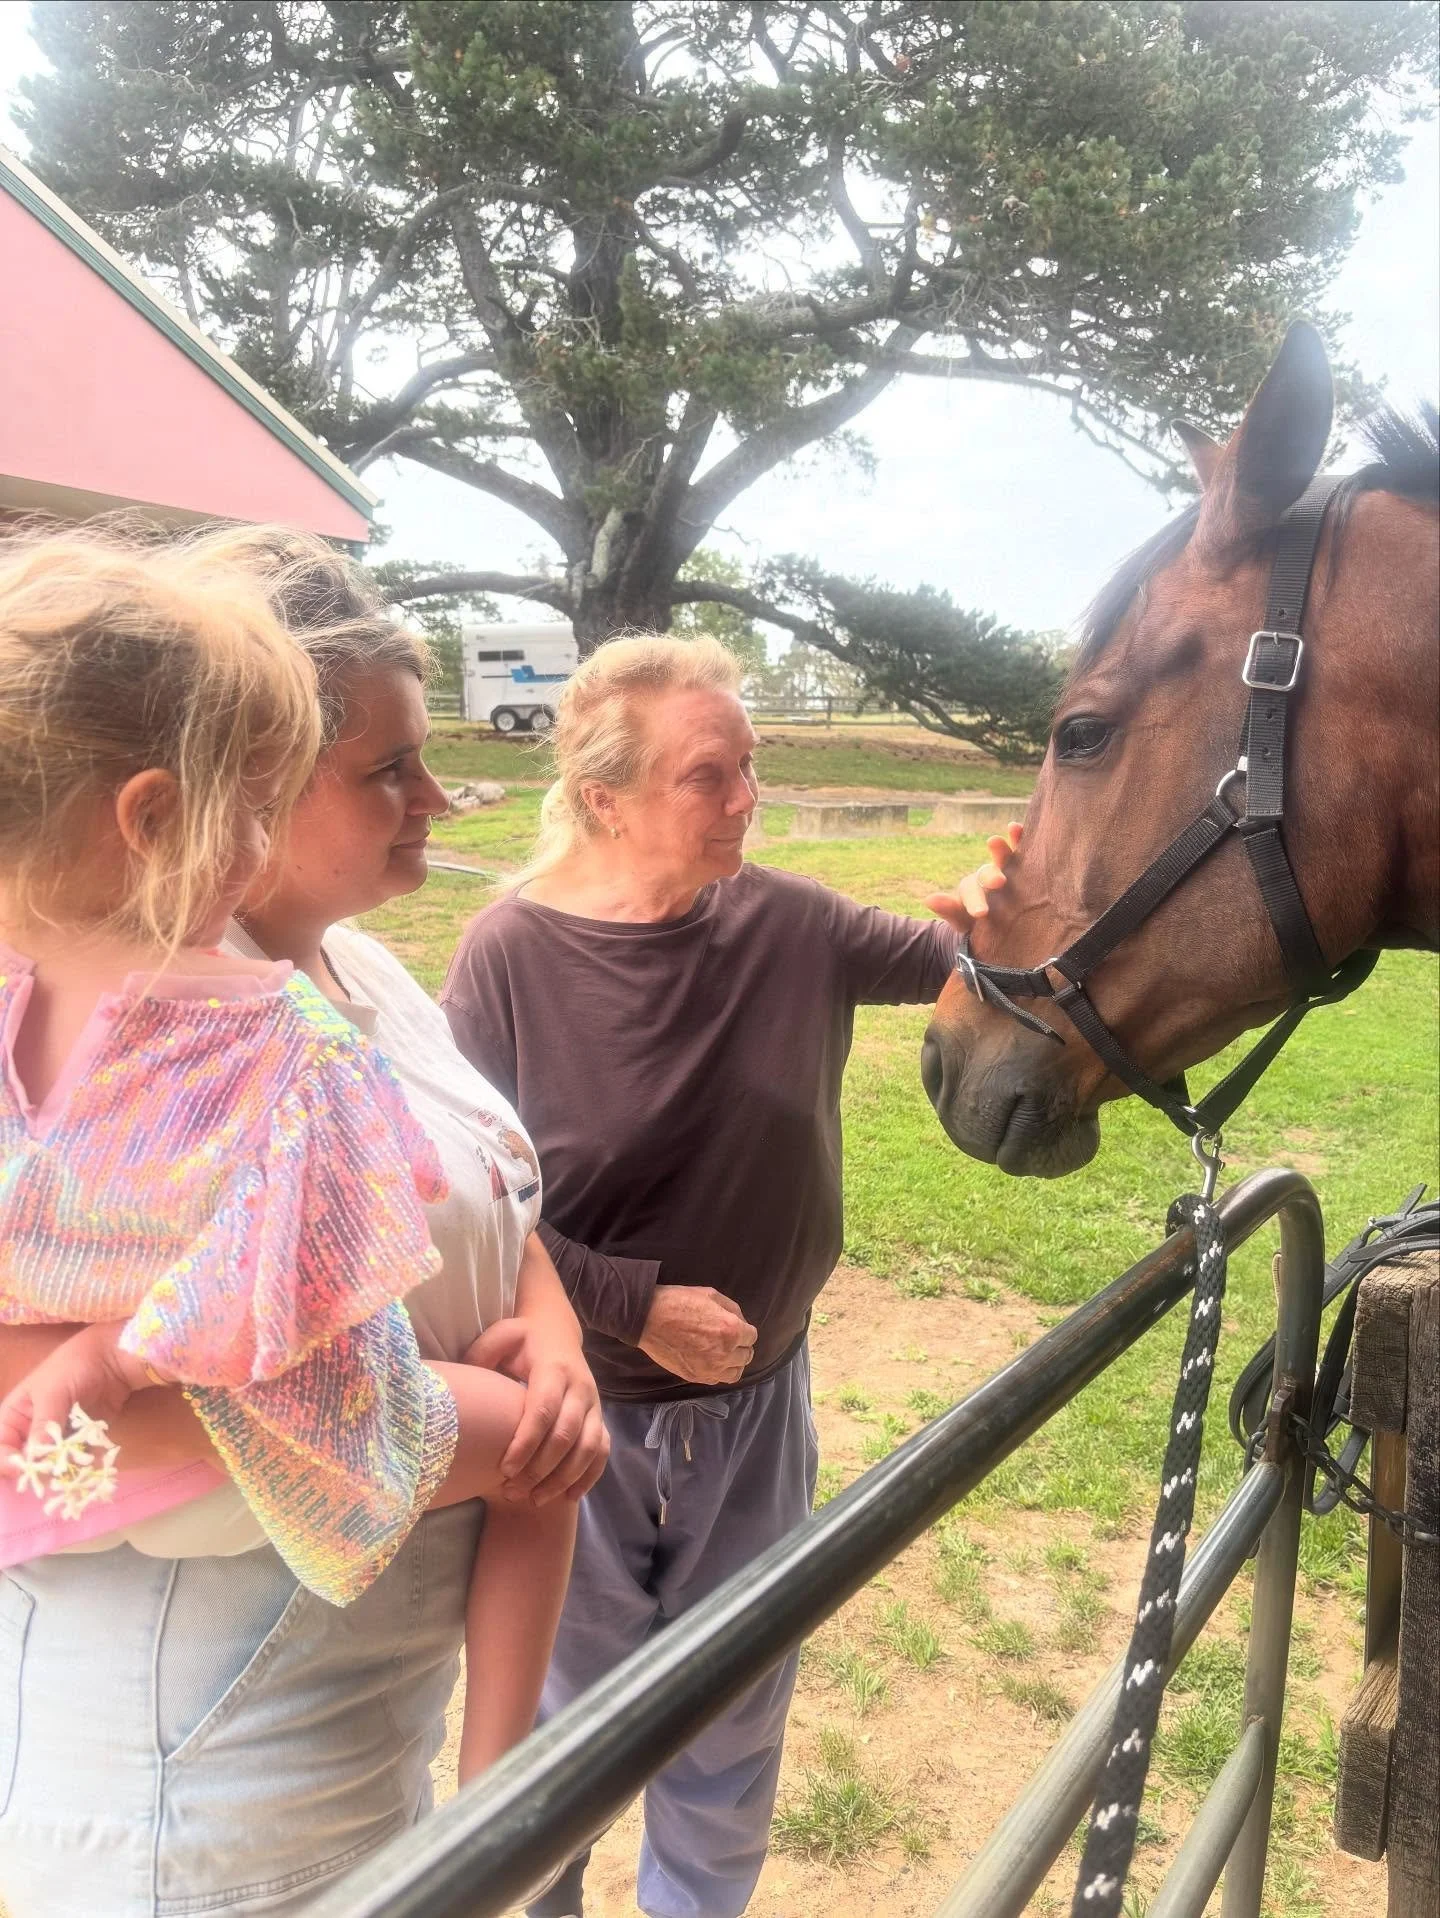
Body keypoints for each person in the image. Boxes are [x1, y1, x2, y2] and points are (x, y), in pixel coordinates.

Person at [0, 528, 606, 1917]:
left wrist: (557, 1330)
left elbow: (486, 1188)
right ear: (168, 809)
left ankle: (508, 1820)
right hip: (199, 1783)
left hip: (363, 1724)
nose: (437, 797)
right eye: (381, 766)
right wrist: (428, 1417)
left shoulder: (364, 983)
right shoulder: (218, 1038)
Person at [442, 634, 1017, 1918]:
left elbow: (974, 966)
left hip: (759, 1413)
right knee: (563, 1733)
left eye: (750, 763)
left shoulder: (790, 921)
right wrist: (629, 1303)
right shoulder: (507, 959)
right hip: (577, 1426)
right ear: (606, 796)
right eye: (712, 775)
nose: (750, 795)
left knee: (730, 1721)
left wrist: (1010, 900)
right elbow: (475, 1210)